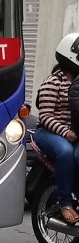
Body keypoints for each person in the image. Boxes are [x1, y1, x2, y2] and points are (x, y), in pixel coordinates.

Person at [34, 33, 79, 224]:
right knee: (66, 151)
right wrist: (65, 132)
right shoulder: (53, 82)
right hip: (49, 133)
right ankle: (65, 203)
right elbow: (45, 116)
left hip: (72, 133)